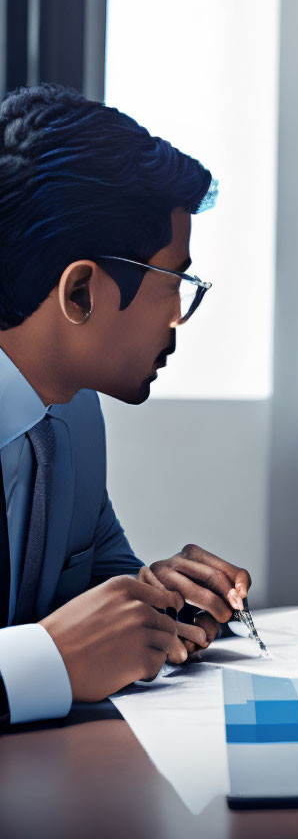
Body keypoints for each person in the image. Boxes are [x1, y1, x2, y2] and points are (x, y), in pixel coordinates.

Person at [0, 84, 252, 725]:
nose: (178, 317)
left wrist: (159, 605)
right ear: (79, 292)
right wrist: (46, 659)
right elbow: (57, 643)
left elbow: (93, 586)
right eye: (176, 283)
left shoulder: (75, 416)